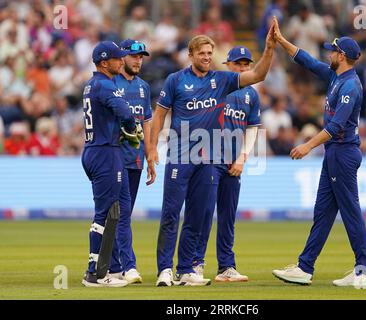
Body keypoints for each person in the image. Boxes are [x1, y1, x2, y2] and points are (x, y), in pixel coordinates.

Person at [150, 19, 278, 287]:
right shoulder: (176, 80)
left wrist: (269, 49)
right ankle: (164, 269)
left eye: (210, 53)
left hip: (208, 160)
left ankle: (186, 269)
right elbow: (160, 113)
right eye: (202, 53)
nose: (207, 57)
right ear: (191, 55)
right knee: (171, 213)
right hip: (181, 156)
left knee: (199, 215)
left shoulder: (221, 80)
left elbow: (258, 76)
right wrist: (151, 148)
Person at [271, 29, 366, 289]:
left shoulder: (350, 85)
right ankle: (305, 267)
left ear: (342, 56)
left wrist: (307, 146)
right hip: (335, 154)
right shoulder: (335, 76)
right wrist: (282, 41)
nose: (329, 54)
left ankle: (364, 271)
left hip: (343, 153)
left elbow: (337, 125)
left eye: (333, 51)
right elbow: (307, 60)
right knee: (323, 213)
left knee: (350, 212)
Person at [192, 46, 261, 282]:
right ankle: (195, 263)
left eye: (246, 64)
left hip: (234, 162)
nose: (243, 68)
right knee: (204, 211)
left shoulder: (251, 94)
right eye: (238, 64)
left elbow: (252, 129)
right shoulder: (217, 86)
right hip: (209, 159)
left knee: (228, 216)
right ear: (228, 65)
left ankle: (226, 267)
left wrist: (242, 158)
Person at [81, 41, 143, 287]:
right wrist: (131, 129)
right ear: (105, 62)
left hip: (97, 150)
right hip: (106, 152)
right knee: (104, 214)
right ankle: (94, 273)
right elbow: (126, 113)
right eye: (118, 58)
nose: (122, 61)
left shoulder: (91, 84)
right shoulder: (106, 85)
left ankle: (111, 268)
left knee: (118, 210)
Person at [108, 39, 156, 284]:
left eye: (142, 56)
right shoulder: (110, 82)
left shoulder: (143, 87)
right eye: (134, 56)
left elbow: (147, 121)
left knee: (119, 215)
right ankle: (129, 266)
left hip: (135, 159)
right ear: (122, 57)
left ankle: (111, 265)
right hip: (114, 158)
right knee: (122, 214)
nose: (139, 60)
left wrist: (150, 154)